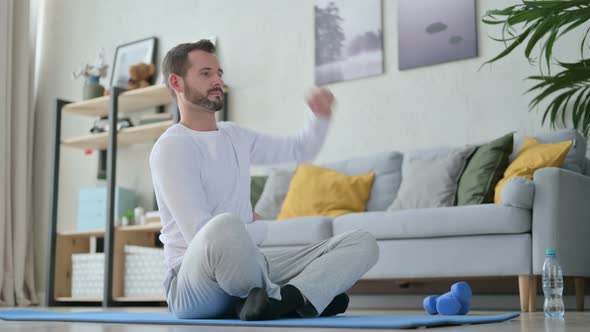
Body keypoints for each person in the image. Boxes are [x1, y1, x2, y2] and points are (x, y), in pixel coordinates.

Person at [150, 39, 379, 321]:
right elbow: (200, 234)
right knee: (224, 225)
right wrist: (257, 228)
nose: (217, 80)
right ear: (177, 82)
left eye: (219, 73)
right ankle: (305, 296)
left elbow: (299, 150)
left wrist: (319, 117)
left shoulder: (235, 136)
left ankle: (284, 300)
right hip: (193, 283)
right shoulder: (172, 146)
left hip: (248, 270)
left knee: (362, 241)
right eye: (206, 73)